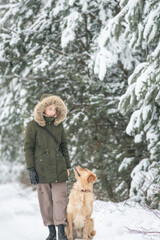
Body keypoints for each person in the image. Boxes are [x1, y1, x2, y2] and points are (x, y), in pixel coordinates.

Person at [24, 94, 70, 240]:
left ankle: (61, 231)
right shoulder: (33, 126)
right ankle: (51, 232)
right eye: (50, 108)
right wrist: (31, 169)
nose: (53, 111)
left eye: (55, 109)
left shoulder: (59, 125)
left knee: (60, 200)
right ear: (43, 109)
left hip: (59, 169)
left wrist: (67, 166)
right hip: (41, 170)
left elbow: (64, 146)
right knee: (45, 201)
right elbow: (28, 148)